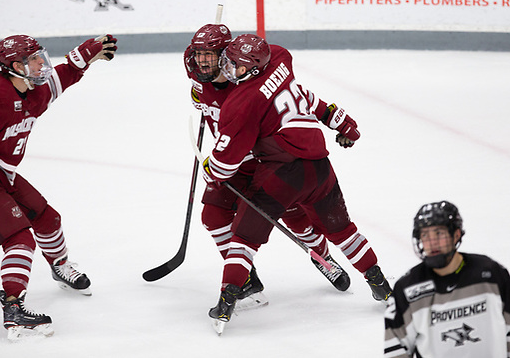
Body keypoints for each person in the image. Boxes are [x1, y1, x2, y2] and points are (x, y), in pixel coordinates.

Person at [0, 33, 117, 340]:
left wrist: (86, 55)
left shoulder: (35, 90)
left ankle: (60, 267)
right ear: (16, 66)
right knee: (20, 240)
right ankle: (14, 307)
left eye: (40, 55)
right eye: (34, 59)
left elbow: (63, 77)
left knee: (48, 218)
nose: (42, 62)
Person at [201, 33, 392, 331]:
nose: (228, 69)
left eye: (234, 65)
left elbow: (225, 166)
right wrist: (345, 125)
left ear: (251, 68)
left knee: (245, 239)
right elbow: (307, 98)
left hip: (282, 175)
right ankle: (378, 280)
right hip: (320, 169)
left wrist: (210, 168)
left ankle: (226, 301)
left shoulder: (241, 101)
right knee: (343, 230)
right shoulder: (278, 60)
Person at [184, 25, 352, 309]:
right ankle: (246, 279)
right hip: (231, 164)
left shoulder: (249, 85)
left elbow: (301, 97)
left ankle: (323, 256)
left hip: (267, 163)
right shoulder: (200, 75)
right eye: (199, 55)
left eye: (209, 56)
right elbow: (198, 70)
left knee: (297, 220)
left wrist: (337, 118)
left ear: (227, 56)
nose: (201, 61)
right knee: (213, 215)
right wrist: (201, 92)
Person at [384, 201, 510, 357]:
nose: (432, 242)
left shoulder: (491, 275)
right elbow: (396, 348)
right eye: (425, 235)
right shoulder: (407, 289)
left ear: (456, 234)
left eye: (439, 233)